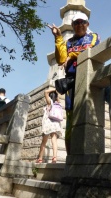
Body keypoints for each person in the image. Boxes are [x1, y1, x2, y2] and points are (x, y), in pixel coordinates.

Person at [48, 12, 100, 155]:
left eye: (82, 22)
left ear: (87, 24)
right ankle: (71, 156)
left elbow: (90, 48)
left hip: (90, 77)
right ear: (72, 25)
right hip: (72, 81)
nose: (79, 25)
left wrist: (71, 56)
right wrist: (58, 37)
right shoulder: (69, 42)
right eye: (76, 23)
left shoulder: (93, 36)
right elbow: (60, 59)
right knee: (71, 118)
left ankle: (91, 152)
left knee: (91, 112)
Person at [36, 88, 63, 163]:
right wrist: (56, 93)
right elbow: (57, 98)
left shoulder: (49, 102)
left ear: (50, 96)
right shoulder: (58, 103)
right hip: (56, 124)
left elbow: (45, 92)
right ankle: (54, 158)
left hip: (49, 124)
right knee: (54, 141)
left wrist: (55, 89)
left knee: (44, 142)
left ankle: (40, 158)